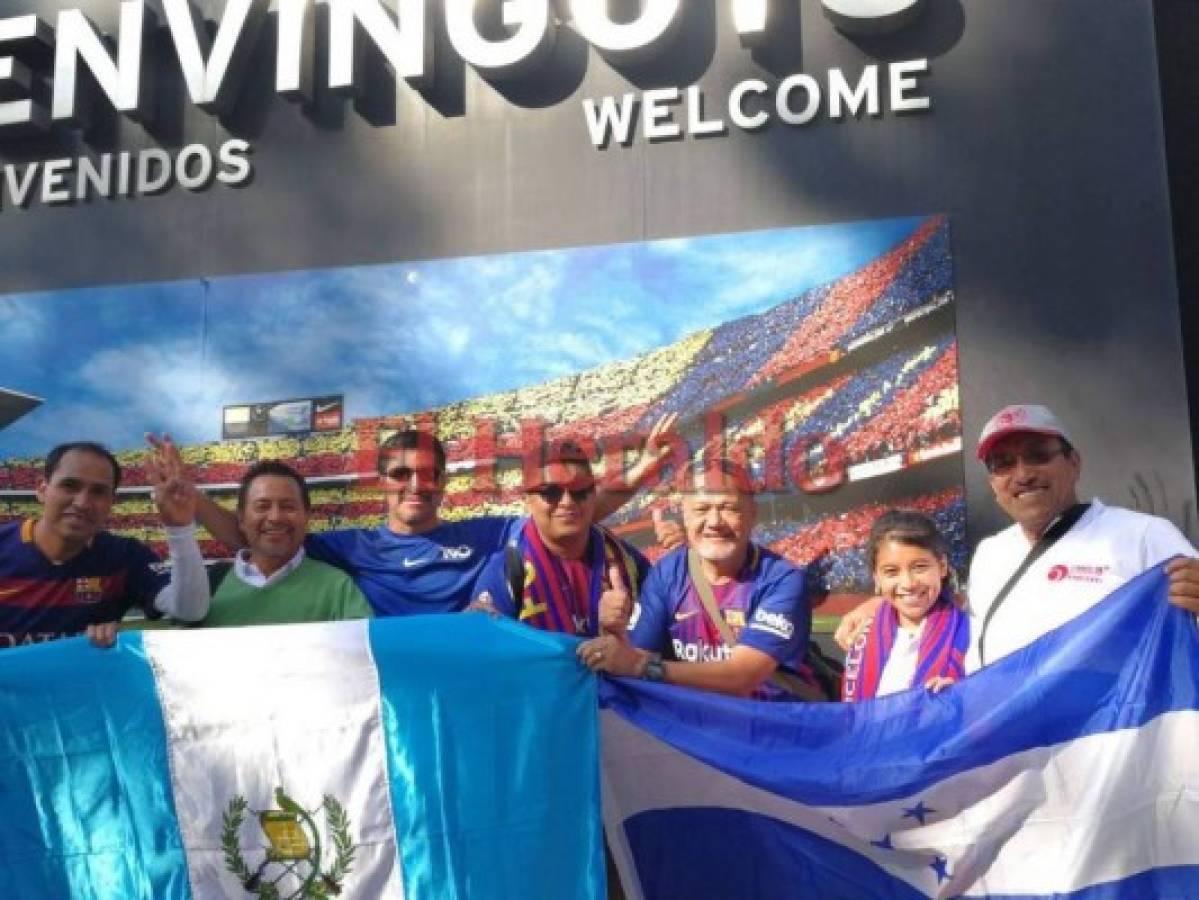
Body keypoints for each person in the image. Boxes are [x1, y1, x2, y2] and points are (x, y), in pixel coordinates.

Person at [147, 415, 675, 616]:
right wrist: (189, 503)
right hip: (389, 684)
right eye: (402, 474)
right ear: (383, 482)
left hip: (460, 678)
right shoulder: (349, 547)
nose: (415, 485)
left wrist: (644, 470)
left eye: (427, 475)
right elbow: (253, 534)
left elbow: (573, 510)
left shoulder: (484, 535)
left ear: (443, 483)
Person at [835, 404, 1199, 671]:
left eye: (1038, 456)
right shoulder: (992, 553)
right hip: (1017, 765)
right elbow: (967, 621)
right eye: (1003, 464)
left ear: (1074, 463)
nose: (1022, 474)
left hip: (1107, 759)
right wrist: (883, 604)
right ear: (993, 484)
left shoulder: (1143, 536)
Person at [578, 461, 816, 700]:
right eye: (701, 509)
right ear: (685, 517)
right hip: (698, 727)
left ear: (752, 514)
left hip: (770, 728)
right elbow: (634, 657)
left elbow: (742, 677)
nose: (714, 522)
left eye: (729, 508)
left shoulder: (781, 580)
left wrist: (642, 665)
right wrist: (614, 632)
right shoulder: (667, 573)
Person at [0, 441, 208, 648]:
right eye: (69, 486)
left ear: (111, 501)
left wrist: (179, 528)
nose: (82, 502)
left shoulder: (123, 556)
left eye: (98, 491)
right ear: (42, 489)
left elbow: (190, 610)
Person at [471, 442, 648, 637]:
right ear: (527, 499)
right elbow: (482, 649)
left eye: (579, 490)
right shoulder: (506, 572)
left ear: (593, 493)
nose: (567, 502)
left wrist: (624, 632)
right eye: (551, 493)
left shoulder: (624, 559)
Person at [201, 461, 371, 627]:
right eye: (262, 506)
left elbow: (363, 650)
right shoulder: (207, 585)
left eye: (288, 507)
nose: (275, 517)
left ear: (307, 517)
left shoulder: (338, 589)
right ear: (241, 519)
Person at [840, 510, 968, 702]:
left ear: (942, 566)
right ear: (876, 577)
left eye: (920, 567)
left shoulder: (971, 630)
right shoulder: (862, 634)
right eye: (892, 572)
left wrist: (964, 696)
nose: (908, 583)